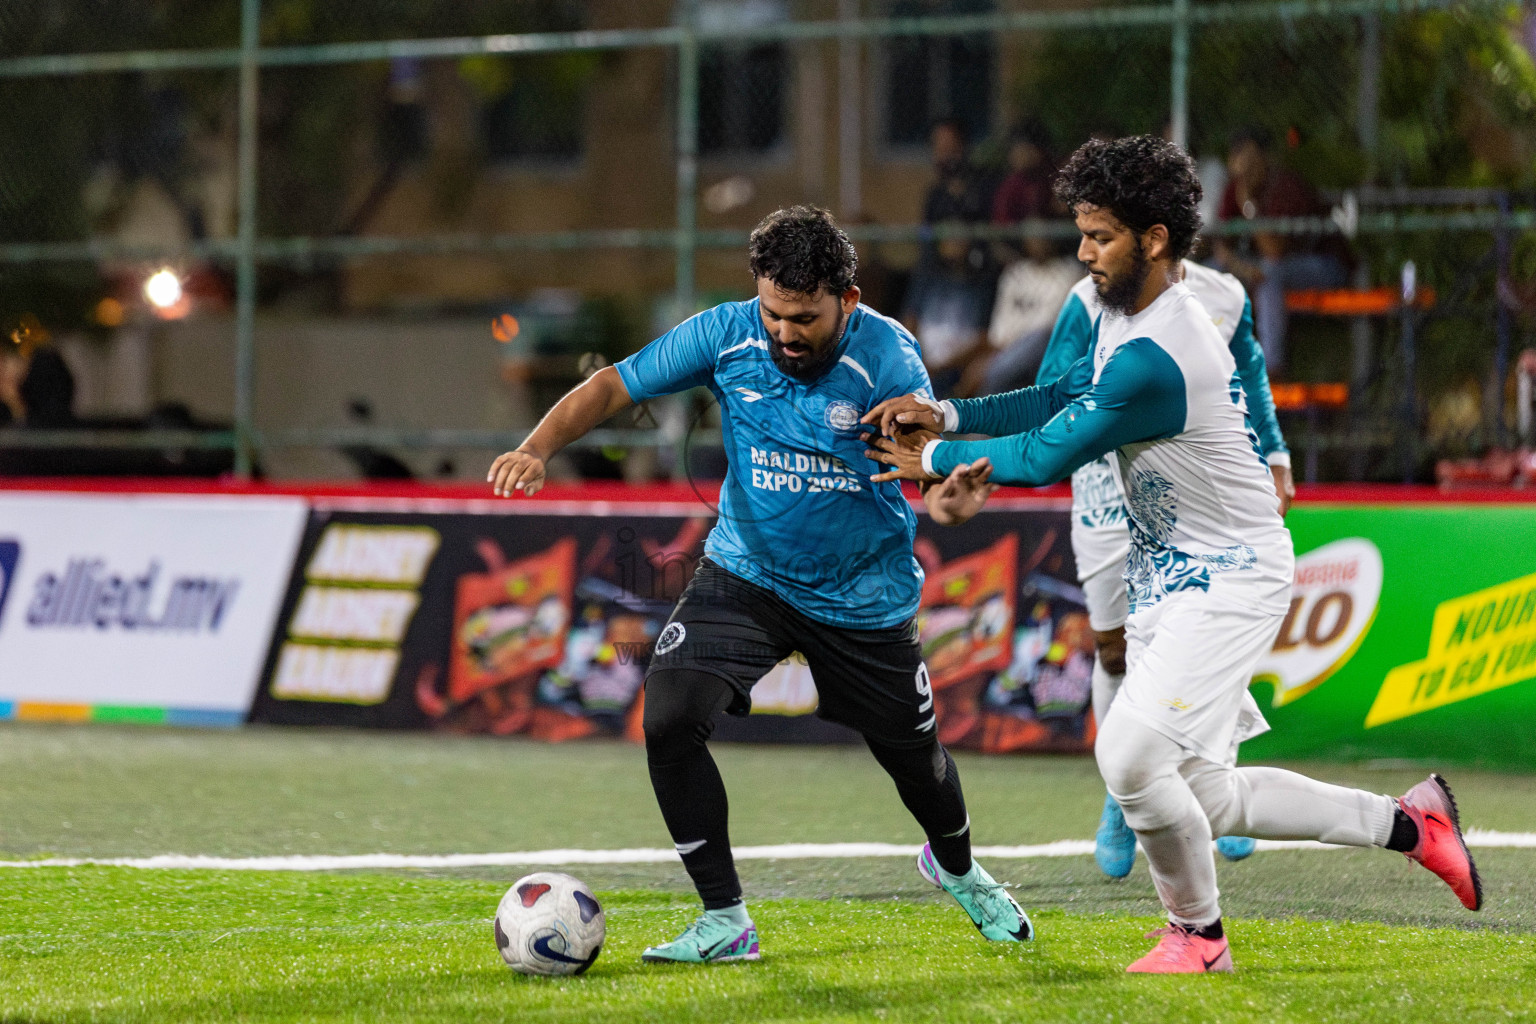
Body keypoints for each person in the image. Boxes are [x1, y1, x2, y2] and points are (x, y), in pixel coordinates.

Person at [861, 137, 1481, 974]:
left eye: (1100, 236)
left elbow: (1049, 453)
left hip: (1230, 573)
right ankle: (1413, 824)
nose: (1083, 251)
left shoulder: (1165, 348)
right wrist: (947, 417)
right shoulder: (1123, 311)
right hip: (1172, 573)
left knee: (1127, 757)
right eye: (1081, 232)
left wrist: (929, 461)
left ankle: (1200, 936)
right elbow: (1058, 394)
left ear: (1156, 238)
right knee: (1208, 797)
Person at [487, 206, 1032, 966]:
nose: (784, 333)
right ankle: (725, 918)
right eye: (774, 313)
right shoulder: (726, 332)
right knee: (669, 717)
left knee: (921, 768)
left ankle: (958, 867)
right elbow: (614, 385)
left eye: (803, 318)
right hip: (747, 573)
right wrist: (536, 447)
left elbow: (924, 472)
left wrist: (952, 498)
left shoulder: (889, 360)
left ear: (847, 299)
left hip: (861, 596)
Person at [1032, 257, 1294, 880]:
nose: (1088, 250)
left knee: (1202, 630)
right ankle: (1121, 795)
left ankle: (1214, 774)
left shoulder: (1224, 296)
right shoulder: (1085, 300)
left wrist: (1276, 452)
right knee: (1115, 650)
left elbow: (1248, 375)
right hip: (1105, 486)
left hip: (1191, 496)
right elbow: (1051, 390)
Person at [1210, 126, 1348, 373]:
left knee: (1270, 274)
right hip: (1264, 266)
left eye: (1249, 156)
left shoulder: (1285, 185)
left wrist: (1248, 204)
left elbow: (1274, 250)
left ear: (1264, 157)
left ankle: (1272, 370)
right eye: (1237, 155)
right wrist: (1241, 267)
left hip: (1322, 264)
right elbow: (1221, 246)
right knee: (1208, 273)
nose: (1242, 165)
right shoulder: (1236, 186)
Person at [904, 119, 998, 397]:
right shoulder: (935, 195)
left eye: (951, 147)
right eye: (939, 147)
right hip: (927, 361)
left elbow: (985, 338)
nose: (945, 153)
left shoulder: (983, 189)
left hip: (975, 271)